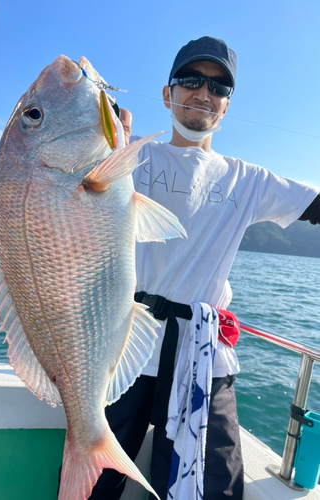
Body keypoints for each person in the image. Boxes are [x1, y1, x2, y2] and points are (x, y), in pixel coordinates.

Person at [89, 36, 320, 500]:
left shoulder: (250, 179)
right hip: (123, 347)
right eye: (191, 80)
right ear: (166, 93)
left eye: (218, 87)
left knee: (214, 488)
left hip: (203, 355)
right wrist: (104, 137)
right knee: (93, 484)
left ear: (227, 106)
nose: (204, 93)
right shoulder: (126, 157)